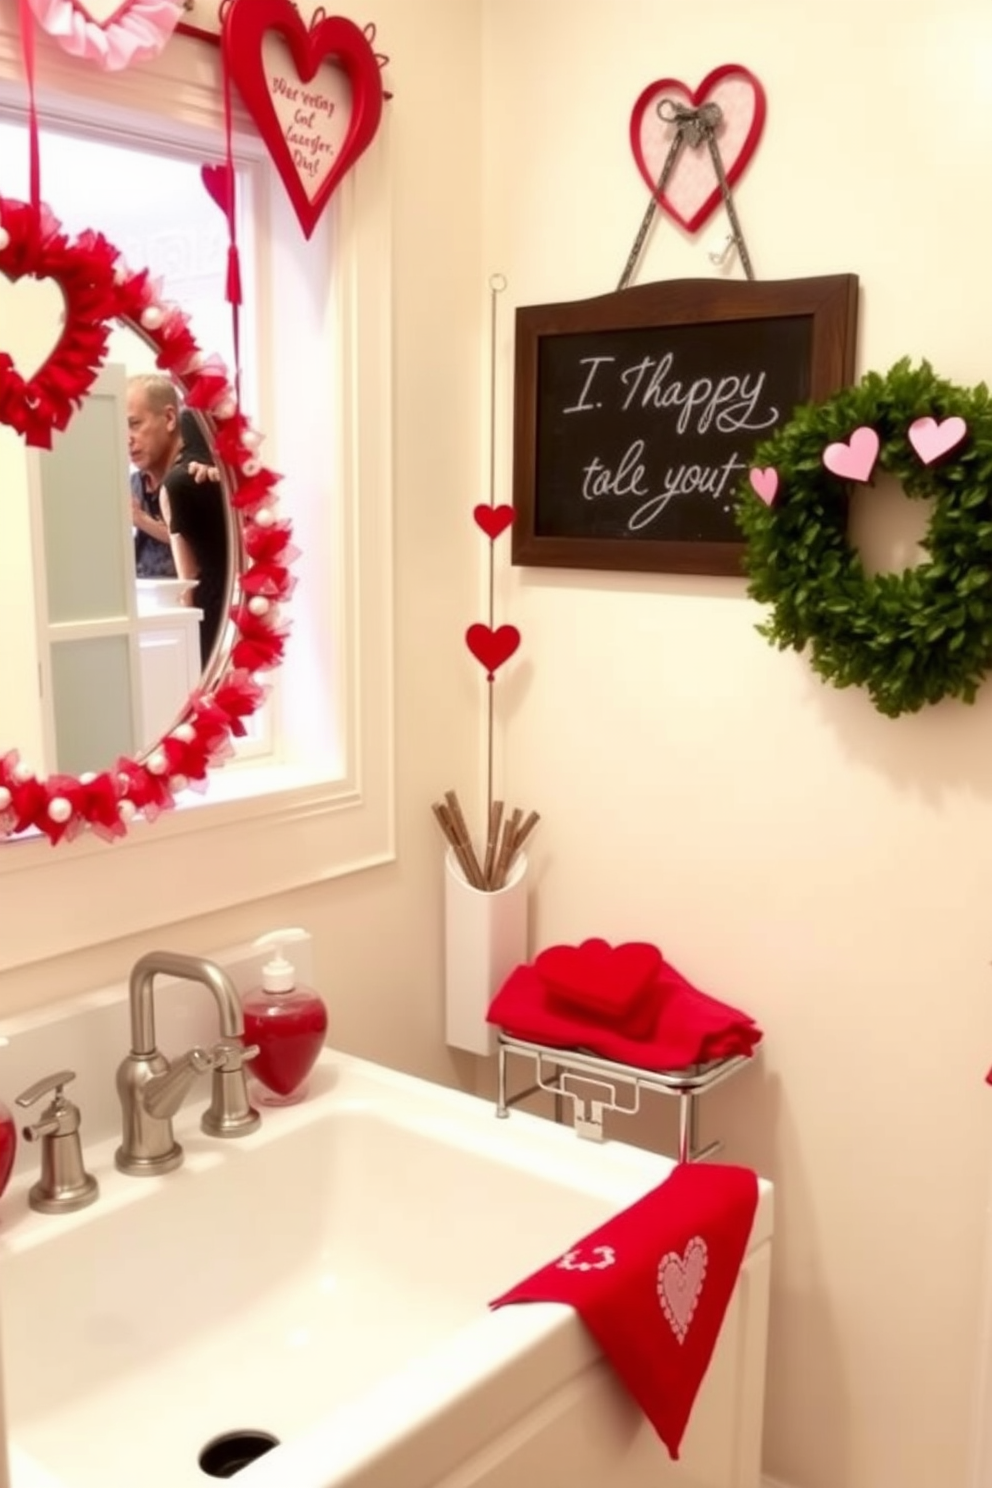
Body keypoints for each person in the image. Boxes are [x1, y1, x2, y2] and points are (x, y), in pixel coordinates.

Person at [160, 409, 229, 669]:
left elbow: (187, 577)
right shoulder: (233, 481)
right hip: (242, 595)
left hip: (209, 600)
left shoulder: (177, 484)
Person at [127, 373, 182, 579]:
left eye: (134, 424)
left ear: (169, 418)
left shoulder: (197, 477)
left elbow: (200, 546)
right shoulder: (132, 484)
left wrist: (140, 519)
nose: (126, 439)